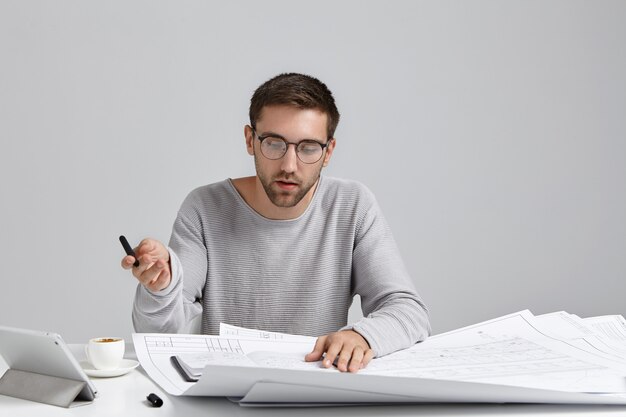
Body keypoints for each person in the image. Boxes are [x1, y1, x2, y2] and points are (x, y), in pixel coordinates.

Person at [122, 73, 431, 373]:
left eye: (308, 147)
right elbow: (158, 338)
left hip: (317, 392)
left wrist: (363, 336)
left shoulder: (353, 205)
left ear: (328, 152)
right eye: (274, 143)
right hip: (224, 397)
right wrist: (161, 289)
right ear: (250, 140)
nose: (289, 165)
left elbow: (408, 311)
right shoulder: (204, 207)